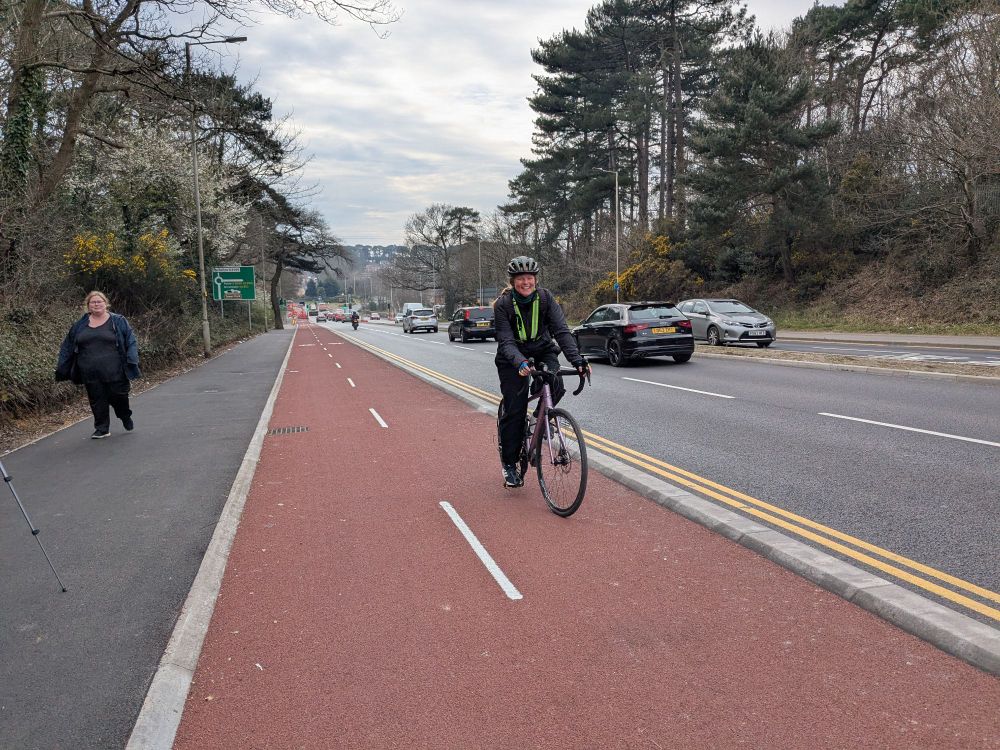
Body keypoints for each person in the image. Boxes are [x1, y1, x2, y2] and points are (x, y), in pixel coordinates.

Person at [494, 256, 589, 488]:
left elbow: (562, 331)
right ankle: (509, 464)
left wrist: (577, 360)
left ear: (535, 280)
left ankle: (539, 418)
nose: (526, 282)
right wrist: (520, 363)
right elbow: (506, 341)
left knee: (555, 383)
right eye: (521, 279)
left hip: (542, 349)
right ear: (513, 281)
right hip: (512, 357)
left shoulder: (546, 299)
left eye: (530, 278)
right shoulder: (503, 305)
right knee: (515, 410)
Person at [55, 291, 141, 439]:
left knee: (119, 397)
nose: (96, 304)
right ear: (88, 306)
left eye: (99, 301)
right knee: (97, 400)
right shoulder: (79, 325)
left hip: (115, 371)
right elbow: (68, 346)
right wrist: (63, 366)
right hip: (89, 371)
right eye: (93, 302)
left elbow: (130, 340)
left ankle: (124, 415)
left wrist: (132, 359)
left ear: (105, 303)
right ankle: (102, 428)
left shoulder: (118, 321)